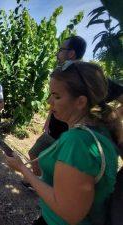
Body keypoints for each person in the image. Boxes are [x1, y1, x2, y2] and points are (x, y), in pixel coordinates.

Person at [6, 62, 122, 225]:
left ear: (80, 102)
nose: (49, 101)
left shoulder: (78, 141)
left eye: (57, 96)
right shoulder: (101, 129)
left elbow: (69, 212)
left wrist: (22, 169)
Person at [27, 36, 123, 178]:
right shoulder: (62, 75)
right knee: (35, 154)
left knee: (61, 170)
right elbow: (53, 101)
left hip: (71, 137)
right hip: (54, 132)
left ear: (71, 53)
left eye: (61, 50)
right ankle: (42, 183)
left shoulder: (90, 78)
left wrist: (108, 117)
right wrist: (49, 119)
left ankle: (50, 187)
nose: (57, 54)